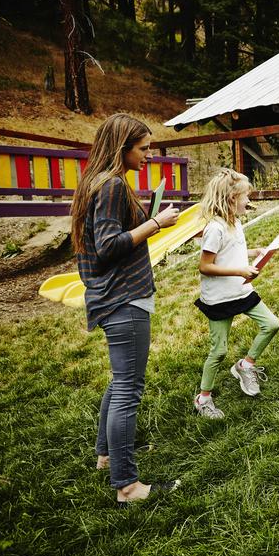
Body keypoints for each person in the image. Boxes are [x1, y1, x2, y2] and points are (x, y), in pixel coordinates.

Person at [70, 113, 181, 506]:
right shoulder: (114, 184)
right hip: (123, 299)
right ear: (122, 149)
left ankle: (107, 456)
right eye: (144, 149)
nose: (149, 156)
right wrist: (155, 223)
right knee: (128, 389)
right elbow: (108, 246)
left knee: (120, 382)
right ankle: (128, 486)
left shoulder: (96, 182)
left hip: (111, 296)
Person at [193, 169, 279, 419]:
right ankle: (203, 399)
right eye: (246, 196)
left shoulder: (236, 222)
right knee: (218, 352)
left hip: (241, 291)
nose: (249, 201)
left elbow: (231, 251)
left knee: (272, 324)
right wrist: (240, 270)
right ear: (231, 198)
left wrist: (255, 253)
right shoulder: (215, 229)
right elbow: (205, 266)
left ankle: (246, 365)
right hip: (220, 299)